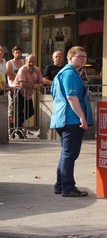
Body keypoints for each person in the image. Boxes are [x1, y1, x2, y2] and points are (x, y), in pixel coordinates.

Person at [50, 46, 93, 197]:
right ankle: (68, 187)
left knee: (66, 154)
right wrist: (82, 117)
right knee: (70, 154)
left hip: (64, 119)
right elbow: (72, 98)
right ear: (70, 58)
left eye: (84, 57)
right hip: (71, 120)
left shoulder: (65, 73)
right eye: (79, 56)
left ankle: (60, 185)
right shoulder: (69, 74)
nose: (83, 59)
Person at [11, 54, 43, 133]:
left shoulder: (37, 70)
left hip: (28, 93)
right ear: (26, 61)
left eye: (33, 62)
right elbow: (22, 84)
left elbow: (41, 82)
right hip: (18, 92)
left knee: (30, 111)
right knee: (18, 112)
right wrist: (34, 86)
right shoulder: (23, 69)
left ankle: (15, 124)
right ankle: (17, 130)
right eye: (29, 62)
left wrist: (39, 85)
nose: (31, 63)